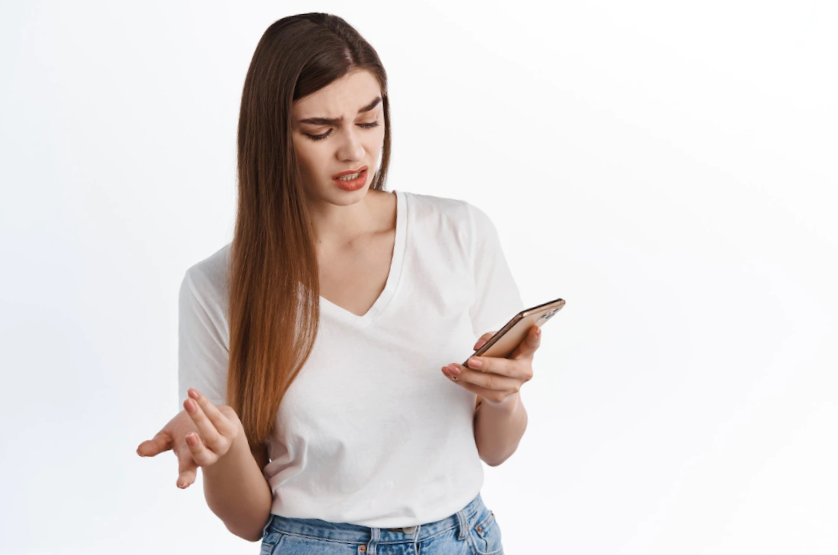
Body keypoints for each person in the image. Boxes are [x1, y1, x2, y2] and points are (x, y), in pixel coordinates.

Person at [136, 12, 541, 555]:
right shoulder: (218, 287)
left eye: (369, 121)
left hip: (462, 538)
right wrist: (224, 448)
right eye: (320, 131)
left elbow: (495, 450)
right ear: (271, 137)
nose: (353, 151)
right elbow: (248, 521)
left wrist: (503, 398)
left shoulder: (458, 233)